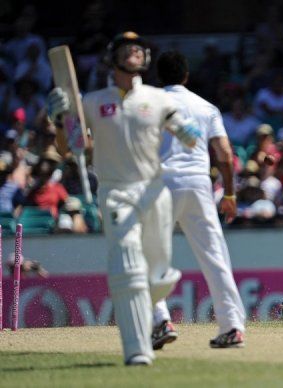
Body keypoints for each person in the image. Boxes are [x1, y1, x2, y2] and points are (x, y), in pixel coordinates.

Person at [47, 32, 200, 366]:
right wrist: (60, 121)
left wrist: (192, 128)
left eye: (138, 46)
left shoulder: (159, 99)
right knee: (127, 266)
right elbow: (67, 148)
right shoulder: (92, 101)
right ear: (111, 57)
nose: (133, 49)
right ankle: (137, 349)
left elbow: (190, 138)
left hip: (154, 191)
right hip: (116, 191)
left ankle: (150, 308)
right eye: (125, 46)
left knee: (159, 273)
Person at [152, 50, 246, 349]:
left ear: (159, 76)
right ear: (186, 76)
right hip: (198, 184)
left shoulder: (148, 103)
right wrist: (229, 194)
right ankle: (232, 326)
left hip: (160, 184)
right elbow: (225, 156)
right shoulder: (206, 107)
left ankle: (159, 321)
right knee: (215, 256)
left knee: (150, 255)